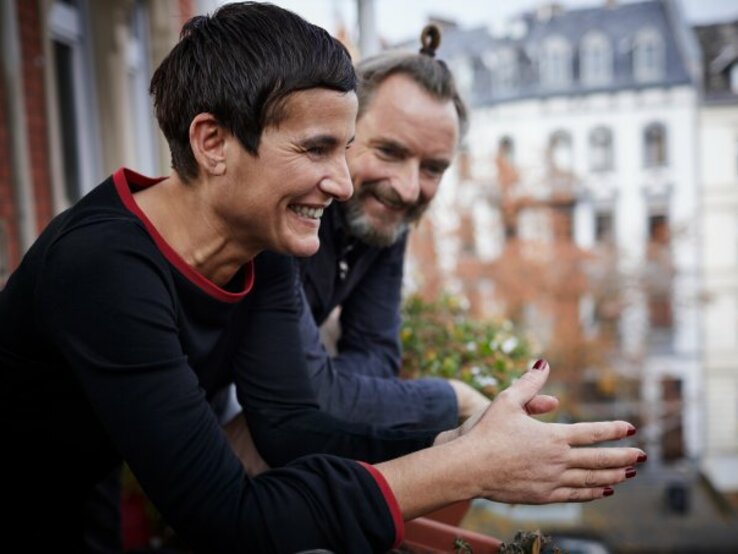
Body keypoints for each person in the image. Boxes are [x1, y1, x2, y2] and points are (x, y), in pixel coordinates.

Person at [0, 3, 645, 553]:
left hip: (89, 483)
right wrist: (463, 465)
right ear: (213, 143)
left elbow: (292, 420)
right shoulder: (103, 270)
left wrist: (467, 439)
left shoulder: (264, 239)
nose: (341, 183)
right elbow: (231, 518)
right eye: (316, 149)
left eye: (344, 148)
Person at [295, 25, 489, 430]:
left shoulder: (382, 216)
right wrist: (456, 399)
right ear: (341, 132)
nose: (407, 188)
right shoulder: (292, 207)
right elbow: (302, 395)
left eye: (433, 168)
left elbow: (376, 352)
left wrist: (335, 394)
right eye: (389, 151)